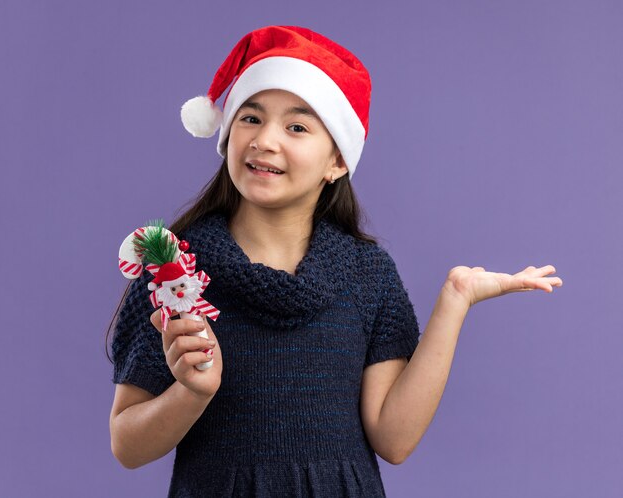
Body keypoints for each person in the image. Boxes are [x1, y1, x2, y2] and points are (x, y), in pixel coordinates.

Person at [107, 25, 563, 497]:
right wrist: (191, 392)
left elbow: (394, 439)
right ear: (226, 134)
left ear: (337, 162)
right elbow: (127, 444)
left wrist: (455, 302)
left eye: (297, 127)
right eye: (250, 118)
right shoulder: (173, 270)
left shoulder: (367, 273)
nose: (265, 140)